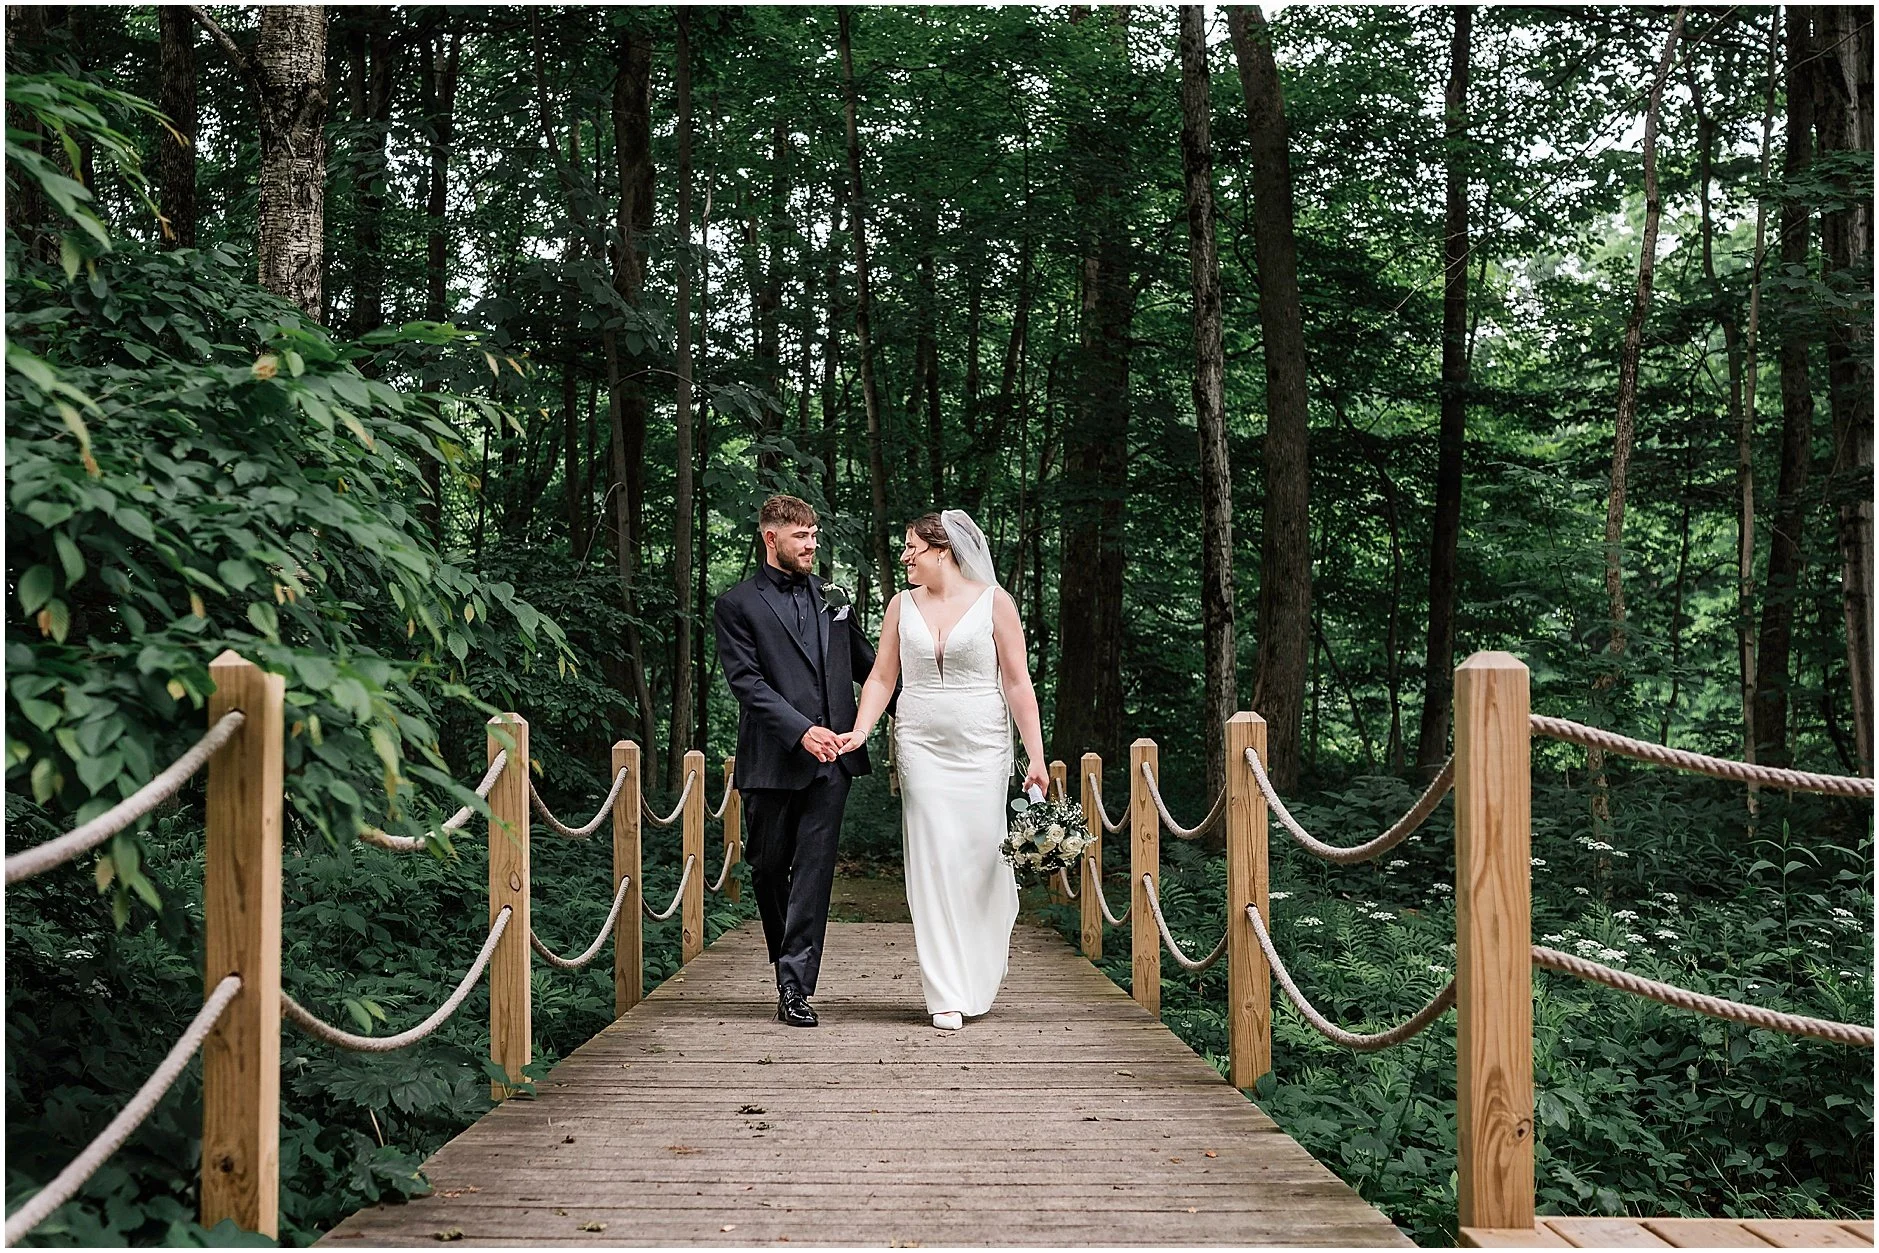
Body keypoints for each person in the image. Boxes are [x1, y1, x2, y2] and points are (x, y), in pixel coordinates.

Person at [838, 509, 1048, 1030]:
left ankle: (978, 968)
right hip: (920, 747)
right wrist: (861, 730)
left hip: (983, 749)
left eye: (912, 547)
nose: (904, 556)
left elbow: (1018, 685)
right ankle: (945, 993)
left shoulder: (994, 602)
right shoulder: (900, 605)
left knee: (980, 863)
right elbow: (882, 677)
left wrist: (1037, 757)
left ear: (943, 551)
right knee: (932, 861)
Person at [713, 494, 882, 1028]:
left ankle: (794, 986)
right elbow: (748, 685)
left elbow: (872, 670)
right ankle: (787, 961)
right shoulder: (736, 605)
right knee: (767, 868)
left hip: (832, 763)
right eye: (801, 536)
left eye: (814, 535)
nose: (812, 545)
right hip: (770, 761)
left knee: (813, 872)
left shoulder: (835, 599)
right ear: (771, 539)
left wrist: (937, 708)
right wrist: (800, 731)